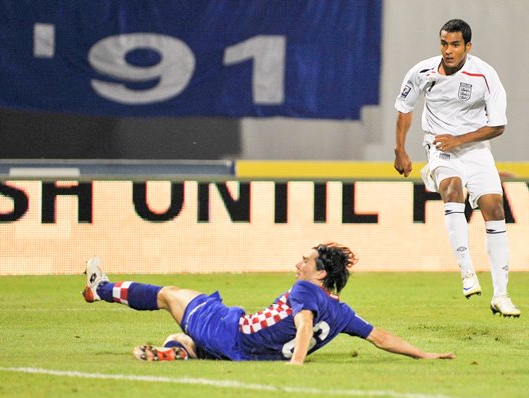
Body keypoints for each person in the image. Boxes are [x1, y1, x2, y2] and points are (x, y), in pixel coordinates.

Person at [82, 243, 455, 363]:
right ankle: (176, 352)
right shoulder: (341, 312)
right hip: (251, 353)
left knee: (169, 295)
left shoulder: (306, 291)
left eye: (306, 262)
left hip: (233, 332)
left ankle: (99, 288)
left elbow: (305, 323)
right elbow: (380, 337)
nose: (298, 265)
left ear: (320, 274)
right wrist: (426, 355)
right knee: (181, 338)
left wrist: (296, 364)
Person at [393, 19, 520, 318]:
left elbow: (498, 125)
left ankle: (501, 295)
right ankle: (467, 273)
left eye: (455, 45)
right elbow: (404, 108)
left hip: (474, 148)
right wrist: (400, 150)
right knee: (452, 190)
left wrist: (460, 139)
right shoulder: (422, 71)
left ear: (467, 46)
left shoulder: (485, 75)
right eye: (444, 44)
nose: (448, 51)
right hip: (439, 146)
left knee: (495, 208)